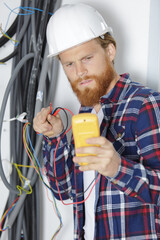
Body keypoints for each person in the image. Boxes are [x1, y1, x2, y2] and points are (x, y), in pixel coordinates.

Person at [33, 3, 160, 240]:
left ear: (110, 51)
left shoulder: (145, 104)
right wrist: (57, 137)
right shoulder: (86, 117)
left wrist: (116, 168)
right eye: (69, 64)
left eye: (87, 58)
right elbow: (64, 192)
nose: (79, 71)